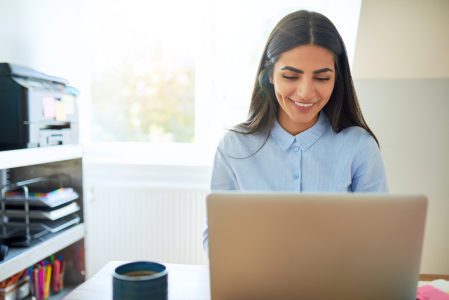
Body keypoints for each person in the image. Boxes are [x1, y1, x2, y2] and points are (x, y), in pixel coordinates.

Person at [203, 10, 388, 251]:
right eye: (291, 76)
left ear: (336, 80)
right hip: (258, 284)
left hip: (337, 285)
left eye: (322, 78)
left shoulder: (359, 146)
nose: (305, 92)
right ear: (269, 75)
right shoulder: (233, 146)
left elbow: (379, 237)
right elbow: (216, 240)